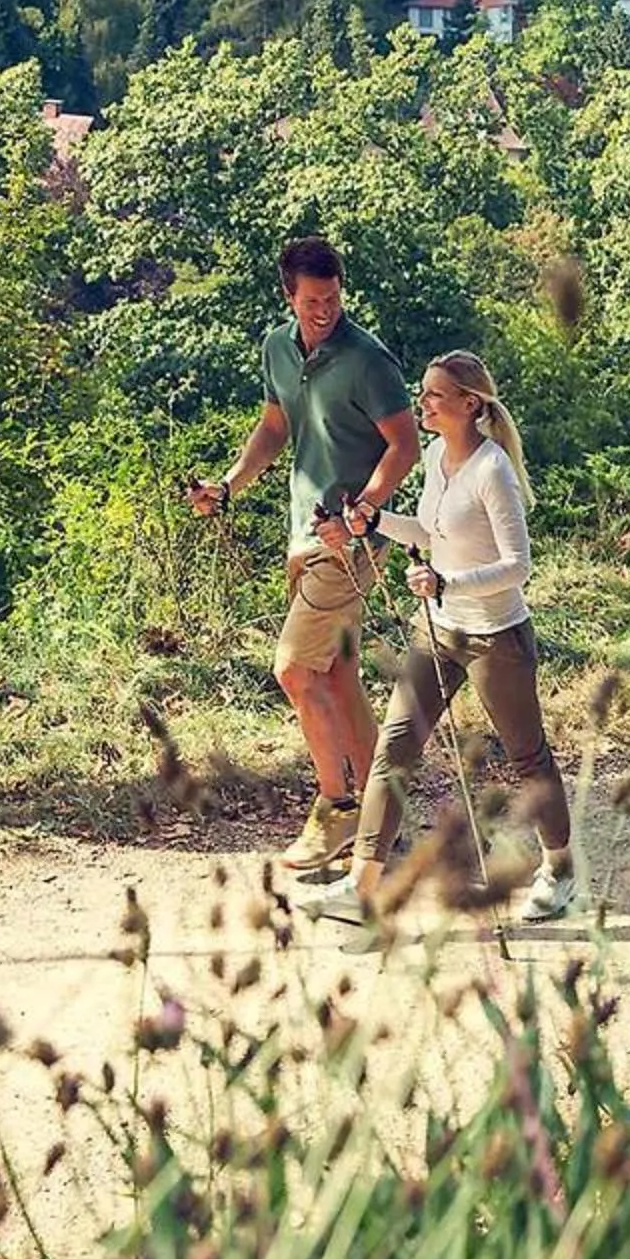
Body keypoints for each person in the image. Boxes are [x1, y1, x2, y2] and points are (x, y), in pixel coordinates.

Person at [307, 351, 575, 925]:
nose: (422, 402)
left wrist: (447, 579)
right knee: (394, 748)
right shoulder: (436, 456)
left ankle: (560, 869)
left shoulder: (492, 469)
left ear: (469, 404)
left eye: (434, 395)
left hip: (495, 636)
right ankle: (361, 886)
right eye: (423, 392)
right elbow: (430, 531)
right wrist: (374, 520)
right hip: (438, 630)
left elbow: (518, 565)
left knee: (528, 757)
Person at [189, 236, 418, 872]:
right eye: (313, 300)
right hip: (301, 532)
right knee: (333, 672)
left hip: (348, 542)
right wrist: (229, 486)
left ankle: (338, 808)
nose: (325, 310)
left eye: (334, 297)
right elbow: (274, 426)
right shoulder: (277, 347)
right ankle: (385, 816)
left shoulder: (368, 360)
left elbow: (405, 445)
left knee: (293, 668)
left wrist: (366, 508)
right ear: (289, 296)